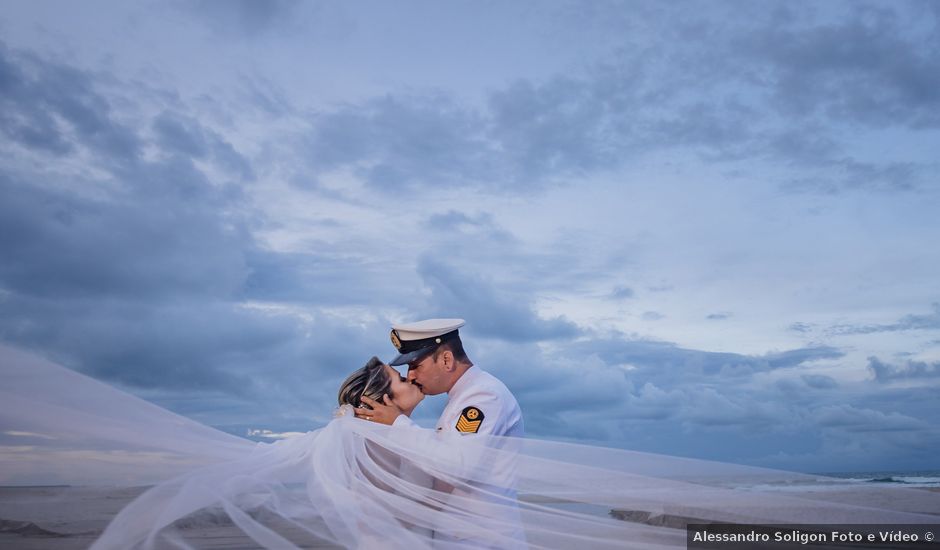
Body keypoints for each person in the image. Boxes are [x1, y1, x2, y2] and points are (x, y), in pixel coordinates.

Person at [2, 344, 939, 550]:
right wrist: (397, 432)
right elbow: (430, 475)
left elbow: (456, 473)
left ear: (439, 359)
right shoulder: (426, 414)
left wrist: (398, 430)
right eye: (400, 383)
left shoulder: (481, 398)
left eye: (414, 373)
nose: (409, 385)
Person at [354, 318, 523, 440]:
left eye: (415, 366)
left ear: (446, 360)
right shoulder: (464, 396)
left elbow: (458, 466)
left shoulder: (484, 395)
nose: (410, 376)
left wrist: (398, 424)